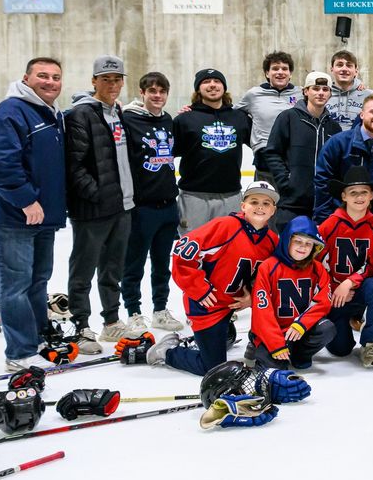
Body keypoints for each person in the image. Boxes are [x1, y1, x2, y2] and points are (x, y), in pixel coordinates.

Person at [0, 57, 67, 370]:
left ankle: (37, 337)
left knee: (37, 281)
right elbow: (1, 166)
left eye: (56, 77)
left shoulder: (46, 113)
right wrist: (26, 200)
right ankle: (19, 353)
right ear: (26, 78)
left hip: (42, 217)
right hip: (14, 217)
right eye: (42, 75)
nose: (50, 82)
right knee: (15, 286)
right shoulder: (11, 111)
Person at [148, 182, 280, 375]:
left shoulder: (271, 240)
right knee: (213, 367)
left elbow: (269, 276)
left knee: (225, 340)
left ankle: (216, 337)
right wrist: (199, 289)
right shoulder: (225, 226)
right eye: (254, 201)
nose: (260, 207)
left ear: (273, 210)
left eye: (266, 203)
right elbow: (183, 252)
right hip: (206, 306)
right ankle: (167, 352)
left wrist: (252, 296)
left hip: (230, 306)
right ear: (243, 206)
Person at [65, 55, 136, 350]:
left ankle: (111, 321)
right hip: (93, 209)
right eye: (106, 79)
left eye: (117, 79)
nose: (113, 84)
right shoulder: (80, 114)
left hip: (122, 206)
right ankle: (81, 326)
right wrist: (97, 194)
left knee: (112, 269)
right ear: (94, 81)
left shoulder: (116, 111)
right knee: (83, 269)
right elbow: (74, 165)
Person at [121, 71, 185, 333]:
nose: (157, 96)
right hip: (141, 206)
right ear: (142, 93)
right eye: (152, 91)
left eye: (162, 91)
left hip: (168, 204)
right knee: (134, 262)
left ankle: (160, 309)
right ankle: (134, 311)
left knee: (162, 263)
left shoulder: (168, 120)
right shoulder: (128, 119)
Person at [316, 167, 373, 368]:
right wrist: (331, 290)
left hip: (361, 290)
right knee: (341, 350)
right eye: (353, 192)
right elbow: (314, 265)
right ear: (344, 196)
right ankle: (349, 321)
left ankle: (370, 342)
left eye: (364, 191)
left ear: (372, 195)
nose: (359, 197)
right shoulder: (330, 225)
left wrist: (350, 282)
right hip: (336, 296)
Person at [248, 216, 337, 369]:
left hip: (299, 329)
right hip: (273, 331)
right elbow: (262, 310)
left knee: (327, 328)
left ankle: (299, 354)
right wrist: (275, 343)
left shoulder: (317, 268)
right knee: (275, 371)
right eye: (298, 241)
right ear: (287, 240)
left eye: (308, 244)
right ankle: (258, 346)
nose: (303, 247)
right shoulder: (268, 267)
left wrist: (302, 324)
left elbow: (323, 302)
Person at [260, 70, 341, 232]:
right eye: (315, 88)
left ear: (330, 94)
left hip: (323, 204)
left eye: (325, 90)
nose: (320, 93)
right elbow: (272, 152)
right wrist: (286, 182)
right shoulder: (288, 118)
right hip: (292, 203)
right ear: (306, 91)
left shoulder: (334, 127)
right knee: (288, 249)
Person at [173, 68, 252, 233]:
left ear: (224, 87)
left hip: (231, 195)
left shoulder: (239, 117)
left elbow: (260, 143)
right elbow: (169, 154)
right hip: (194, 196)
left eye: (217, 81)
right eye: (206, 81)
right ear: (198, 89)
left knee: (227, 248)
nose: (212, 85)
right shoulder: (184, 119)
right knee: (193, 248)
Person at [312, 94, 373, 222]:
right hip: (337, 218)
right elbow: (323, 182)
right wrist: (325, 219)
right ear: (362, 115)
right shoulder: (337, 143)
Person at [235, 51, 298, 182]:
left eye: (285, 69)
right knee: (263, 201)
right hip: (265, 159)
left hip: (293, 159)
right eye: (275, 68)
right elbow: (230, 114)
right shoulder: (253, 95)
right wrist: (193, 109)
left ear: (290, 73)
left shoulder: (301, 94)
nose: (280, 72)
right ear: (267, 73)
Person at [326, 50, 373, 130]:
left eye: (349, 65)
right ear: (332, 69)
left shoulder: (369, 96)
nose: (344, 69)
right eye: (339, 65)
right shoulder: (323, 95)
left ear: (356, 71)